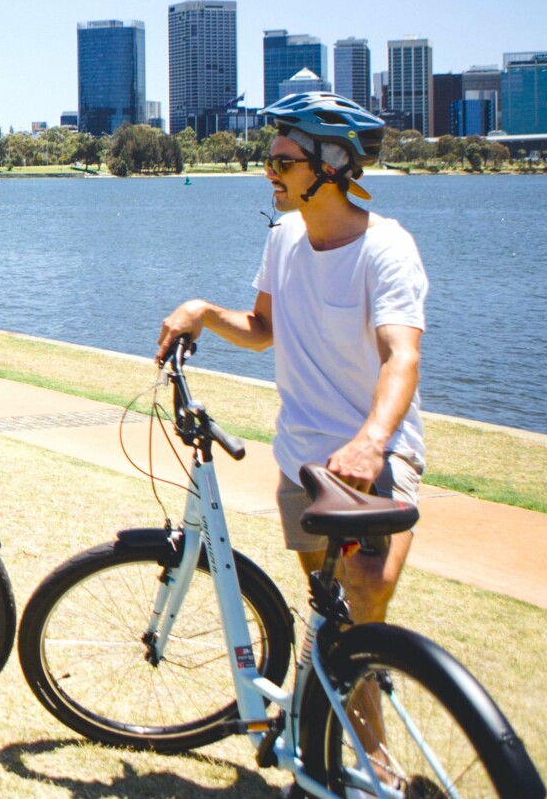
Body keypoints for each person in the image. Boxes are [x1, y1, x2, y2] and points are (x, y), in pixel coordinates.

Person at [156, 92, 425, 784]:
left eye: (283, 159)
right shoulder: (283, 240)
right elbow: (262, 327)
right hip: (300, 462)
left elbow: (401, 357)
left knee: (365, 594)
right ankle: (363, 761)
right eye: (266, 157)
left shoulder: (384, 247)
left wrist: (372, 440)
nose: (267, 170)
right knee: (331, 617)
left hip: (374, 459)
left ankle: (354, 744)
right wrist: (202, 311)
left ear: (332, 164)